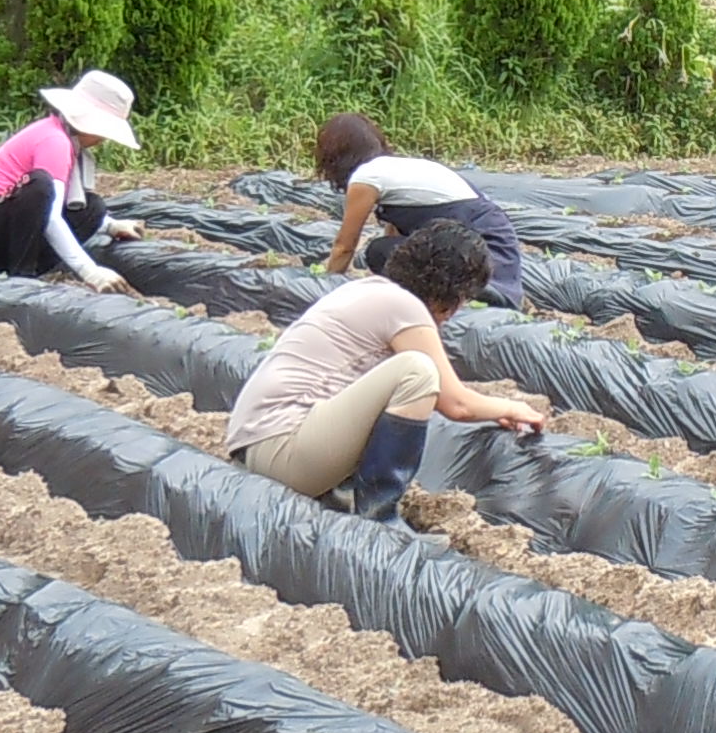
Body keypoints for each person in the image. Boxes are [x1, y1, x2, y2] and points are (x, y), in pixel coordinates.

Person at [223, 220, 549, 518]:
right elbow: (456, 404)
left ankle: (344, 495)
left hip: (258, 446)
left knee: (394, 383)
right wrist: (511, 407)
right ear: (451, 293)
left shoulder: (367, 289)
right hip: (281, 449)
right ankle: (378, 515)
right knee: (416, 371)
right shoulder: (404, 307)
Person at [314, 113, 525, 309]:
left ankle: (464, 294)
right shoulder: (396, 168)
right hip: (495, 252)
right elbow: (395, 233)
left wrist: (327, 285)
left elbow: (345, 245)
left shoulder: (366, 176)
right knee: (388, 250)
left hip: (477, 252)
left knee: (379, 251)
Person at [0, 71, 136, 287]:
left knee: (94, 208)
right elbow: (50, 213)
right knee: (40, 186)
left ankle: (28, 269)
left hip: (2, 232)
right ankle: (22, 277)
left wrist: (109, 226)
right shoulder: (54, 141)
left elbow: (55, 207)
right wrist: (89, 271)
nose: (103, 139)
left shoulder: (64, 139)